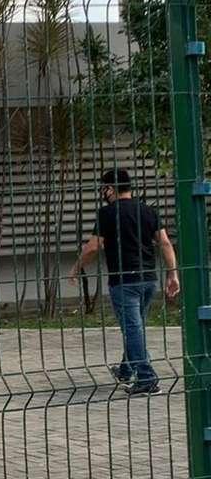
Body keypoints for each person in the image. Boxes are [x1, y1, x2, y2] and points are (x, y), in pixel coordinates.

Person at [68, 169, 180, 396]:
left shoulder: (107, 213)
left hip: (123, 280)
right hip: (148, 279)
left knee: (132, 329)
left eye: (104, 188)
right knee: (135, 327)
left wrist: (76, 267)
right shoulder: (148, 211)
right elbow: (165, 244)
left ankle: (146, 378)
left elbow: (93, 247)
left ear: (110, 188)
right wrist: (173, 274)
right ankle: (126, 369)